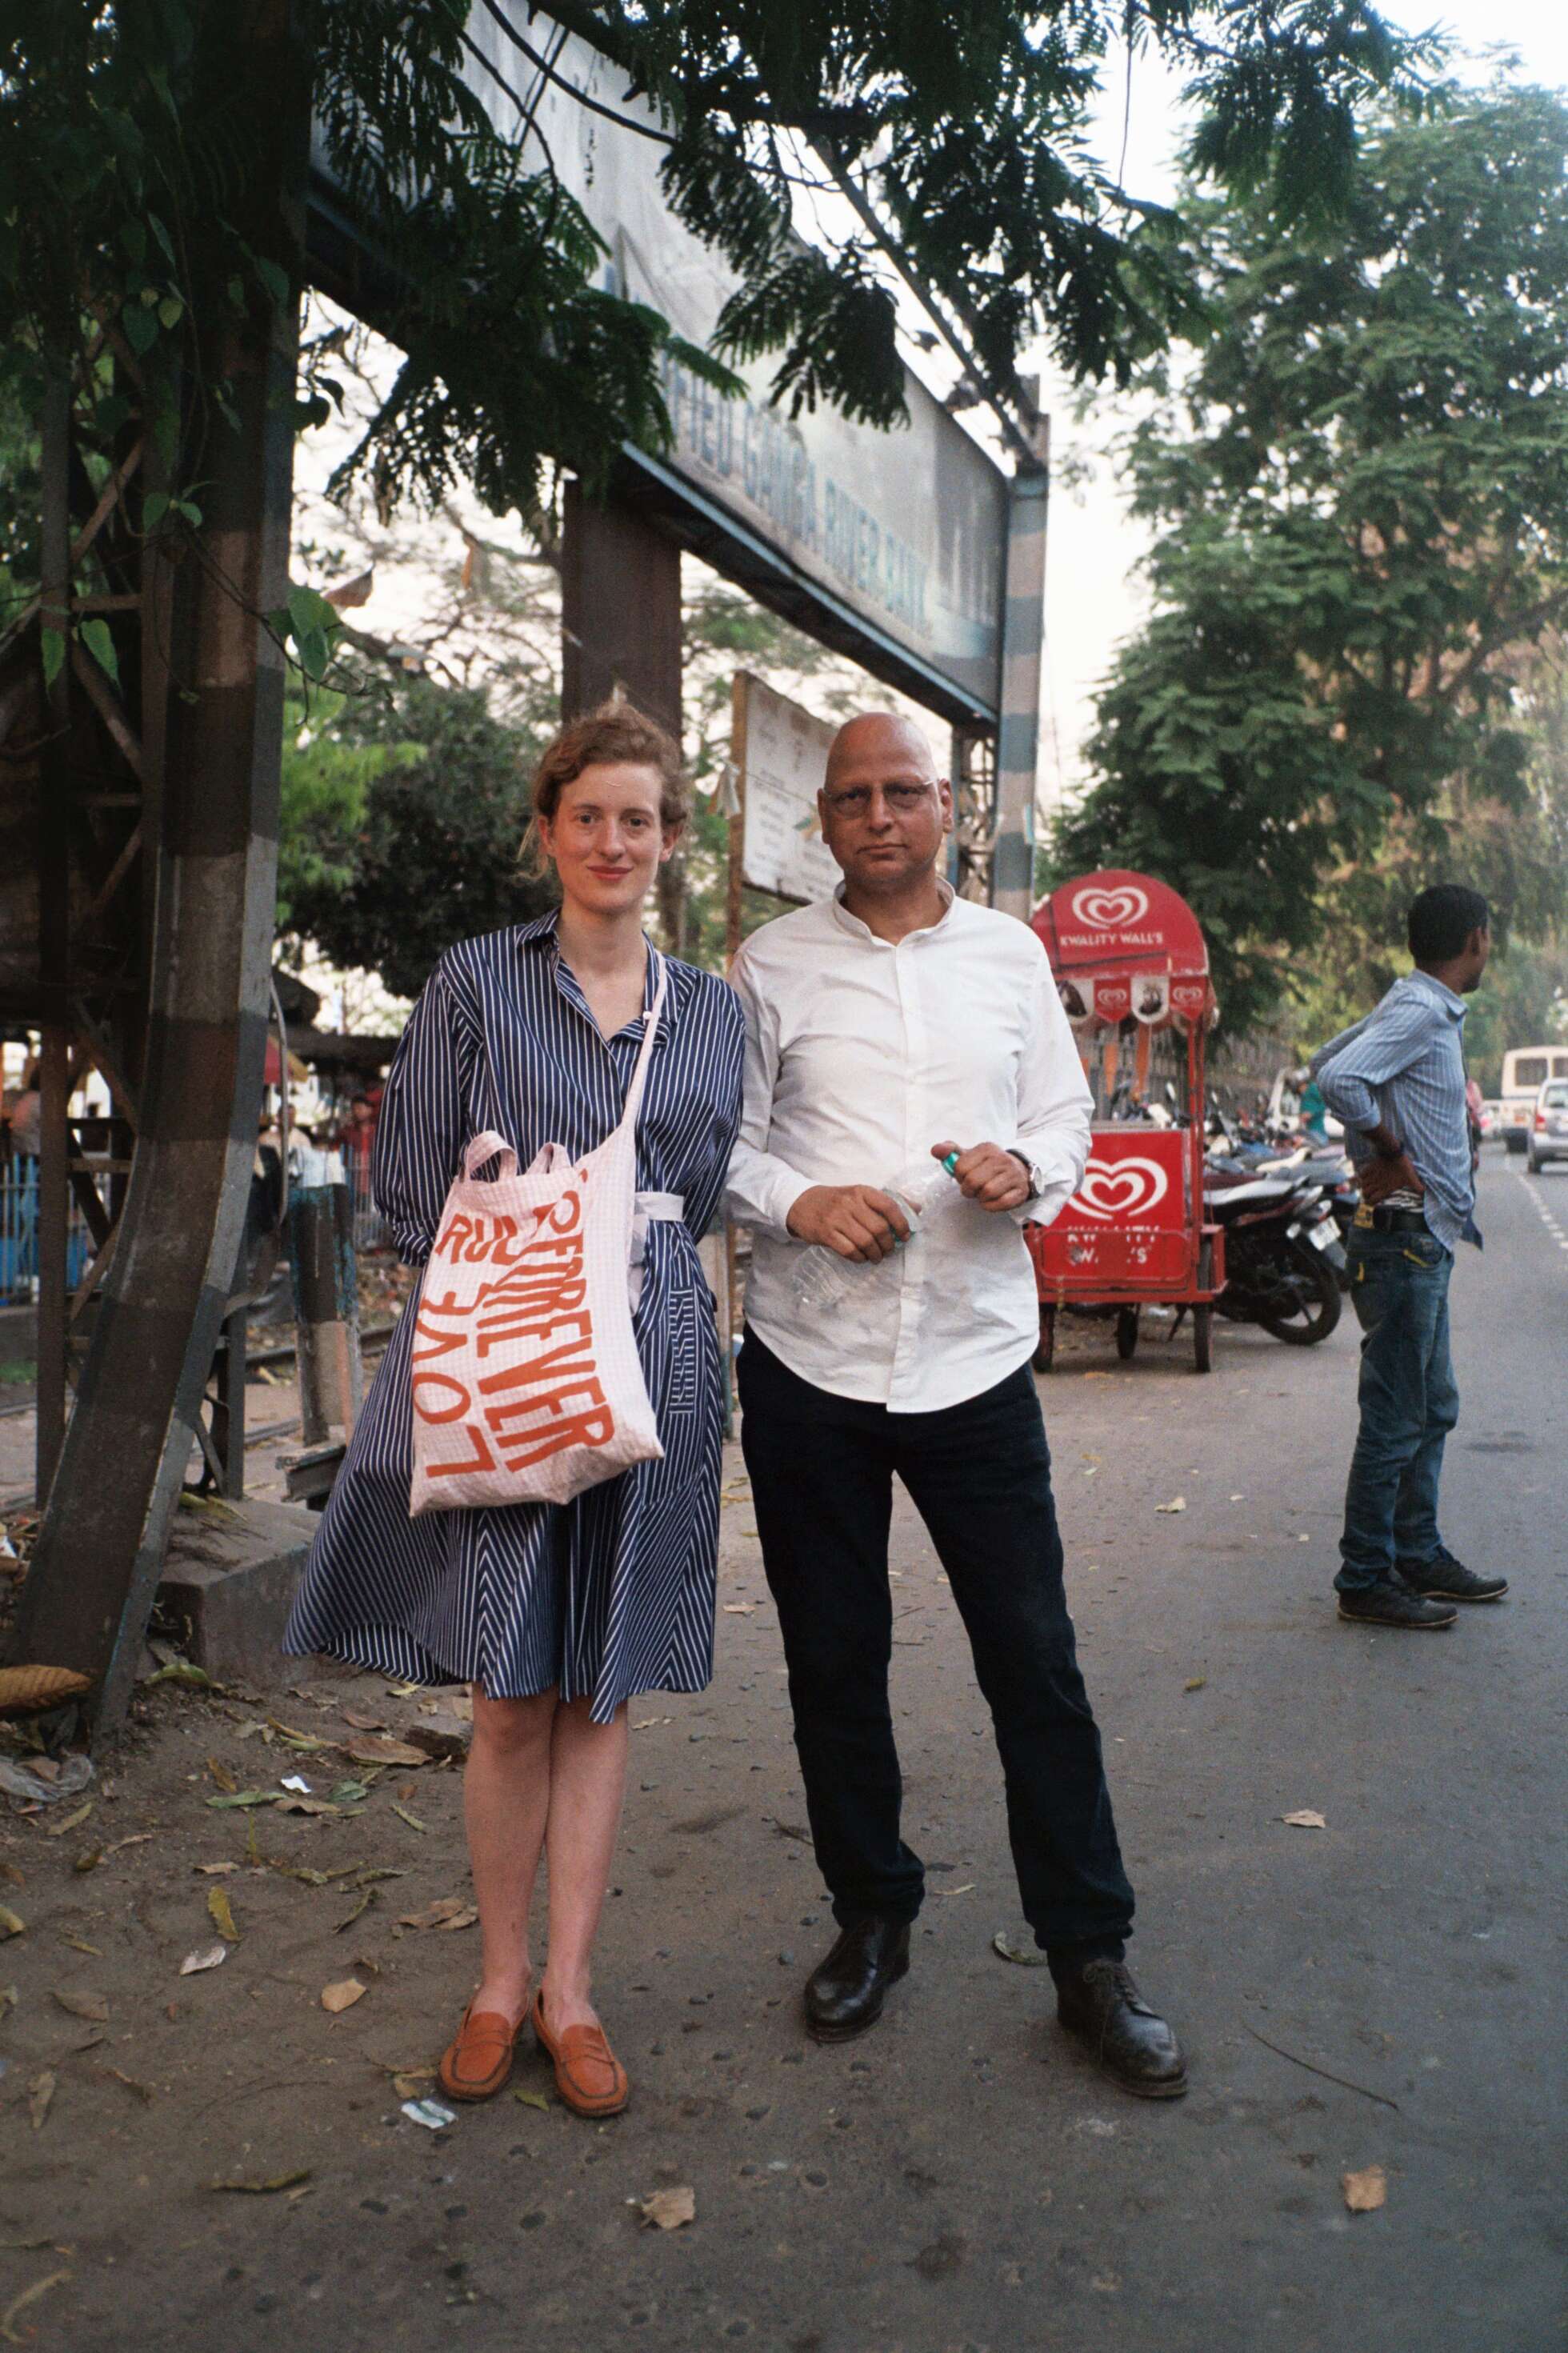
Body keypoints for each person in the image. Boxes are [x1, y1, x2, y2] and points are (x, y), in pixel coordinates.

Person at [284, 702, 744, 2116]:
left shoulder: (716, 1008)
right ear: (547, 830)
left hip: (655, 1355)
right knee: (505, 1697)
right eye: (589, 814)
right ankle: (496, 1981)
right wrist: (526, 1246)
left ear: (672, 841)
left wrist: (622, 1270)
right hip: (506, 1353)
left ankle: (573, 1993)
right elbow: (407, 1184)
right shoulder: (477, 982)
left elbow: (707, 1188)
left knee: (598, 1692)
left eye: (641, 819)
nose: (615, 841)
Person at [724, 711, 1186, 2100]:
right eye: (854, 796)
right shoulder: (767, 963)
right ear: (823, 821)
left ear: (946, 811)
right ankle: (872, 1917)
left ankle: (1089, 1956)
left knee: (1033, 1660)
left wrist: (1023, 1170)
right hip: (810, 1358)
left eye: (904, 791)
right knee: (833, 1656)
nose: (879, 814)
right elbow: (722, 1143)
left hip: (975, 1360)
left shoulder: (1009, 953)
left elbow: (1065, 1117)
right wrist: (801, 1200)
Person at [1312, 883, 1504, 1630]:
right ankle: (1365, 1575)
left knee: (1433, 1404)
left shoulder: (1418, 1006)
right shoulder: (1423, 1010)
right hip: (1404, 1238)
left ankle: (1415, 1552)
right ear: (1476, 940)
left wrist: (1380, 1139)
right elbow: (1337, 1076)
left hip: (1421, 1238)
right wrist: (1388, 1148)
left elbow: (1332, 1056)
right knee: (1396, 1415)